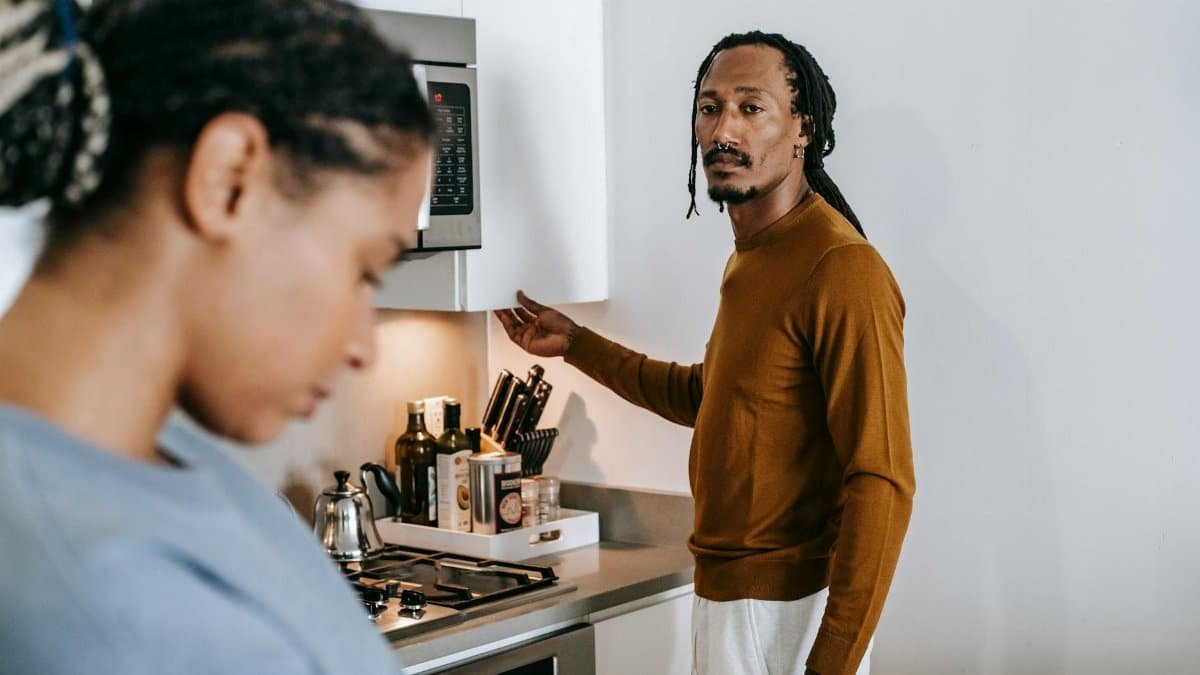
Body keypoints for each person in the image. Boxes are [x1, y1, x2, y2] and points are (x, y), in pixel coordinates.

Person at [0, 0, 433, 672]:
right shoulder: (95, 609)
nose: (363, 347)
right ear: (229, 178)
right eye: (365, 269)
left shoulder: (172, 464)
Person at [496, 31, 915, 675]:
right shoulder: (754, 258)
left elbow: (882, 480)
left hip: (787, 614)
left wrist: (829, 663)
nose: (724, 129)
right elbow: (711, 397)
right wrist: (576, 345)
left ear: (802, 129)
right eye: (709, 107)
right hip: (728, 598)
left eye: (751, 108)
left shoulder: (840, 268)